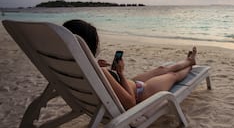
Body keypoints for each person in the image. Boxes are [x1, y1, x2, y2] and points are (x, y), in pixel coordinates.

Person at [63, 19, 197, 110]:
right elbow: (130, 103)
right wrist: (120, 73)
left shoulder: (71, 69)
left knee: (161, 69)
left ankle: (189, 61)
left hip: (131, 83)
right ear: (88, 45)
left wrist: (104, 69)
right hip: (141, 93)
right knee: (172, 75)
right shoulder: (98, 71)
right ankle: (190, 65)